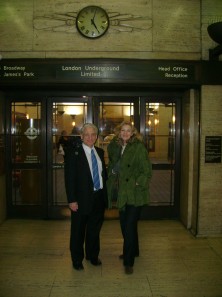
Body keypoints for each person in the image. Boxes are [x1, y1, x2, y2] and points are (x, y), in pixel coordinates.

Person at [106, 121, 152, 275]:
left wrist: (137, 182)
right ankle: (134, 250)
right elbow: (112, 164)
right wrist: (112, 172)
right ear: (119, 133)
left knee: (129, 226)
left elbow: (146, 171)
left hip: (135, 193)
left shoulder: (138, 147)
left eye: (128, 131)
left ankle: (128, 260)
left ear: (133, 133)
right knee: (125, 224)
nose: (125, 133)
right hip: (122, 193)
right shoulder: (116, 147)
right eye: (122, 130)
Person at [64, 123, 108, 271]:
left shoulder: (100, 152)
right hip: (80, 200)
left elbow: (103, 175)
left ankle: (92, 256)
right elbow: (69, 179)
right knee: (78, 231)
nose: (90, 137)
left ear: (96, 137)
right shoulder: (73, 154)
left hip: (98, 198)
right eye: (87, 134)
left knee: (94, 230)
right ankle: (77, 260)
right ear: (81, 136)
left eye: (93, 134)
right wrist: (71, 200)